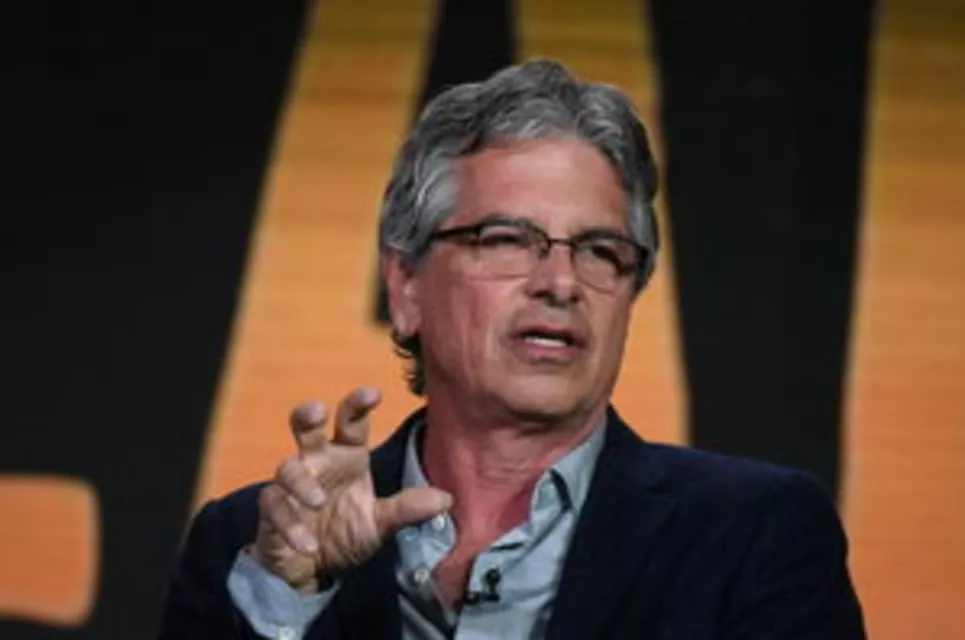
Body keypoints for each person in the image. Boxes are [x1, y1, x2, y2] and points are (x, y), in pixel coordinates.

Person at [158, 59, 865, 639]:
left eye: (600, 251)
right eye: (505, 240)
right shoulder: (248, 548)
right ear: (405, 284)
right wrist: (285, 605)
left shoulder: (753, 535)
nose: (561, 282)